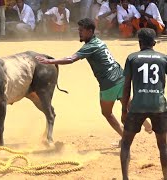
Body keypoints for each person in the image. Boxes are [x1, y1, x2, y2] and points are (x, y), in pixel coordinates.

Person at [36, 18, 152, 142]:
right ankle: (148, 126)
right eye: (79, 30)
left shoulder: (89, 46)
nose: (79, 32)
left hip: (109, 83)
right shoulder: (99, 42)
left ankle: (124, 137)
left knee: (107, 113)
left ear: (90, 31)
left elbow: (71, 59)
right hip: (121, 77)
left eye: (81, 30)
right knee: (129, 105)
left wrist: (50, 61)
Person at [120, 28, 167, 180]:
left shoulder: (132, 58)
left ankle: (125, 178)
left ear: (139, 42)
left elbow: (126, 86)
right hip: (159, 106)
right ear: (154, 43)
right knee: (163, 146)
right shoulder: (163, 58)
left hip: (137, 106)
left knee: (126, 143)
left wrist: (123, 110)